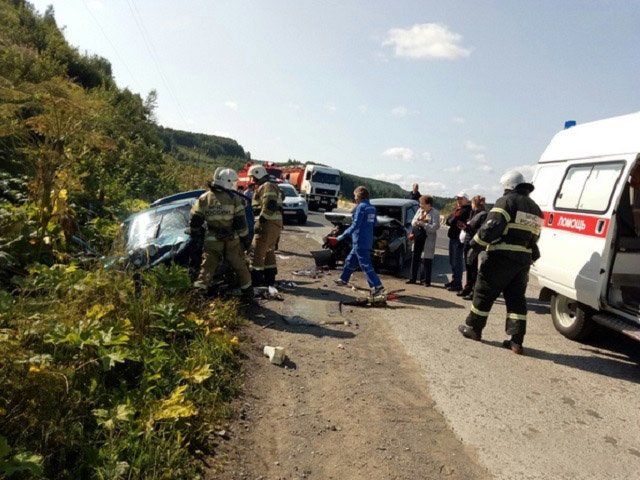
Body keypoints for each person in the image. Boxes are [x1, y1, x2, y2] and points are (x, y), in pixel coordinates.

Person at [458, 170, 543, 355]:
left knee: (483, 292)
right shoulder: (535, 208)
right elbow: (535, 236)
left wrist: (475, 246)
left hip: (500, 257)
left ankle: (473, 328)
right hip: (522, 262)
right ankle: (516, 341)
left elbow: (491, 227)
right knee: (516, 300)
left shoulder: (506, 201)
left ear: (508, 186)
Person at [189, 167, 253, 302]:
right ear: (228, 181)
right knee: (240, 266)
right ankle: (248, 293)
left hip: (212, 239)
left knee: (207, 267)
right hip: (232, 239)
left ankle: (199, 293)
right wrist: (246, 240)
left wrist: (195, 233)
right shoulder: (235, 199)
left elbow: (195, 221)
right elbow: (241, 224)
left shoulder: (204, 198)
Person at [334, 186, 385, 295]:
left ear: (358, 196)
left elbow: (355, 225)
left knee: (365, 264)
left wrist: (342, 236)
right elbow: (375, 223)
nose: (354, 198)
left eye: (355, 196)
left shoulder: (361, 207)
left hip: (359, 240)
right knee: (350, 260)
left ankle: (377, 285)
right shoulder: (372, 208)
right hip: (367, 239)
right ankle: (343, 279)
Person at [249, 164, 283, 287]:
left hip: (267, 224)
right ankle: (270, 278)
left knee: (257, 251)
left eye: (253, 177)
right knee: (269, 251)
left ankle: (256, 280)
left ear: (258, 174)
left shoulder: (267, 186)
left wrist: (260, 221)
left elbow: (269, 205)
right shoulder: (271, 185)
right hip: (274, 224)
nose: (253, 180)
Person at [457, 195, 487, 300]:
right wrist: (465, 226)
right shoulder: (473, 213)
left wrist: (467, 228)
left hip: (474, 243)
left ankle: (474, 291)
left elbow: (481, 231)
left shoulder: (483, 215)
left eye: (472, 203)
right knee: (468, 267)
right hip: (467, 241)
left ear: (475, 204)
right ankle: (467, 288)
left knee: (473, 268)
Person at [406, 195, 440, 286]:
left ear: (428, 204)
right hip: (418, 237)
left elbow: (435, 227)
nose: (420, 205)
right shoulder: (419, 210)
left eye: (422, 203)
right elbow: (412, 221)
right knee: (415, 257)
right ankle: (412, 278)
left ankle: (425, 280)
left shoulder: (435, 213)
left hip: (428, 238)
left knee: (426, 259)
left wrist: (424, 225)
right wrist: (417, 222)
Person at [444, 192, 472, 291]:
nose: (458, 200)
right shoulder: (458, 209)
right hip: (453, 237)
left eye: (461, 198)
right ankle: (454, 280)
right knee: (452, 261)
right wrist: (453, 218)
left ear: (466, 199)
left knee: (457, 261)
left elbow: (452, 220)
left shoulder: (466, 210)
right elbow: (448, 220)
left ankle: (457, 283)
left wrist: (453, 218)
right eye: (457, 198)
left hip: (458, 238)